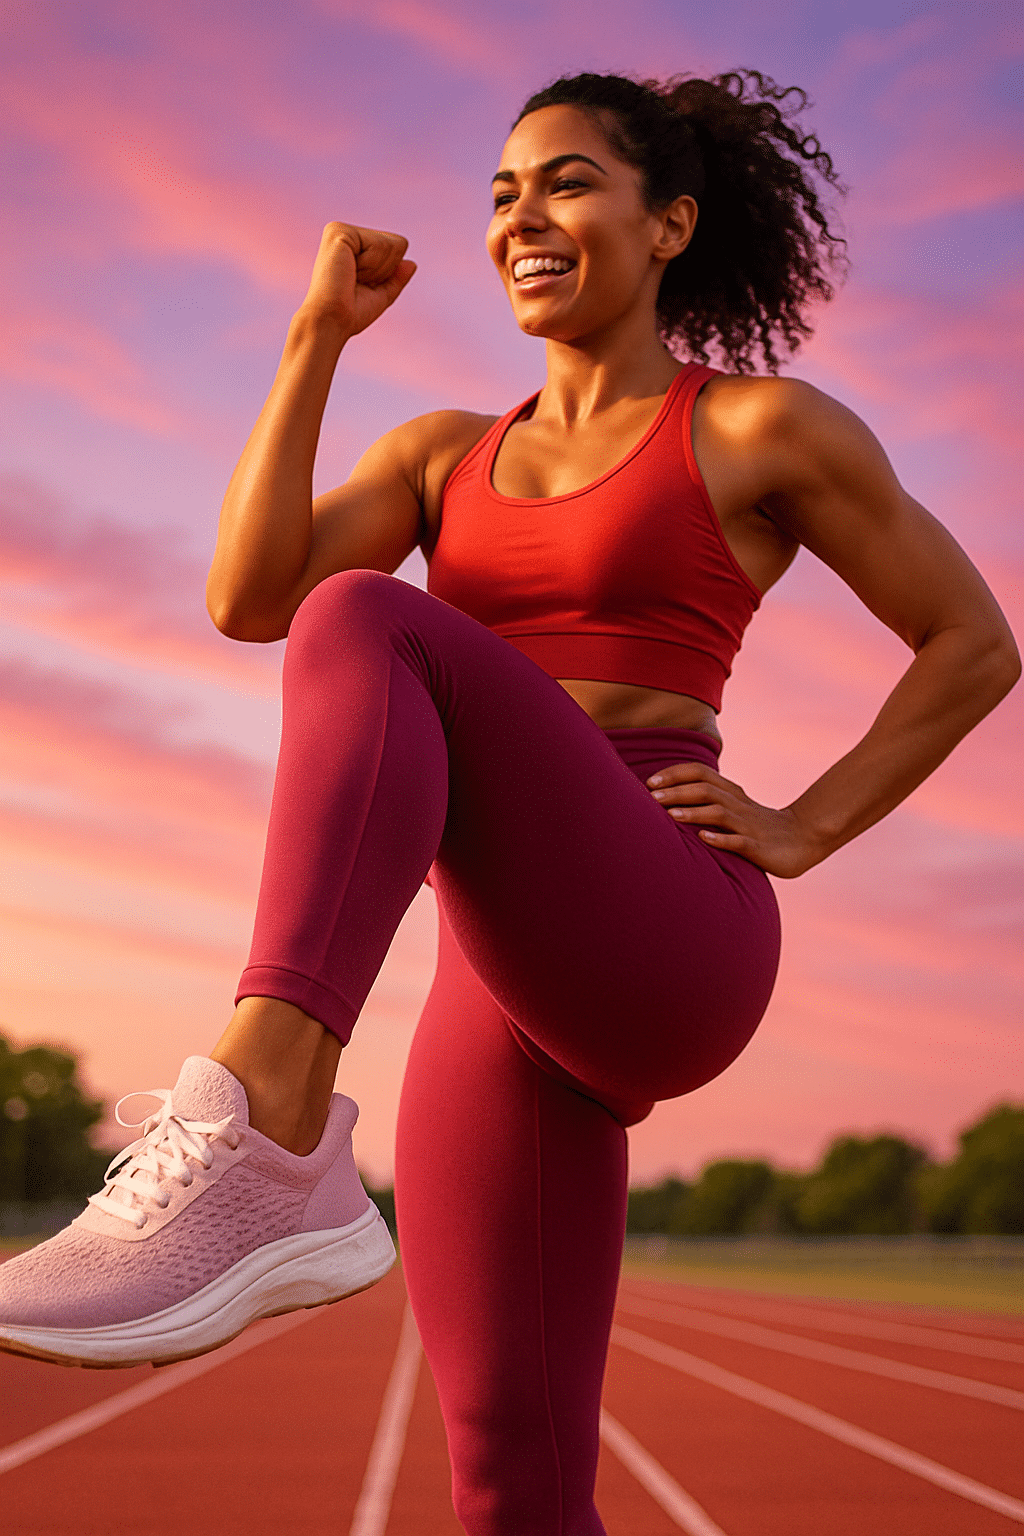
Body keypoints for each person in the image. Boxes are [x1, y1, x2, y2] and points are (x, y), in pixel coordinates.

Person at [1, 69, 1018, 1535]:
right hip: (502, 970)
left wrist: (808, 824)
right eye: (499, 191)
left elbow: (975, 642)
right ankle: (277, 1155)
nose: (521, 215)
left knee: (365, 618)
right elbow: (244, 596)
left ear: (669, 224)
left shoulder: (756, 433)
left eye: (565, 181)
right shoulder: (439, 456)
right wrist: (314, 339)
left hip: (668, 912)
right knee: (509, 1475)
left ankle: (267, 1122)